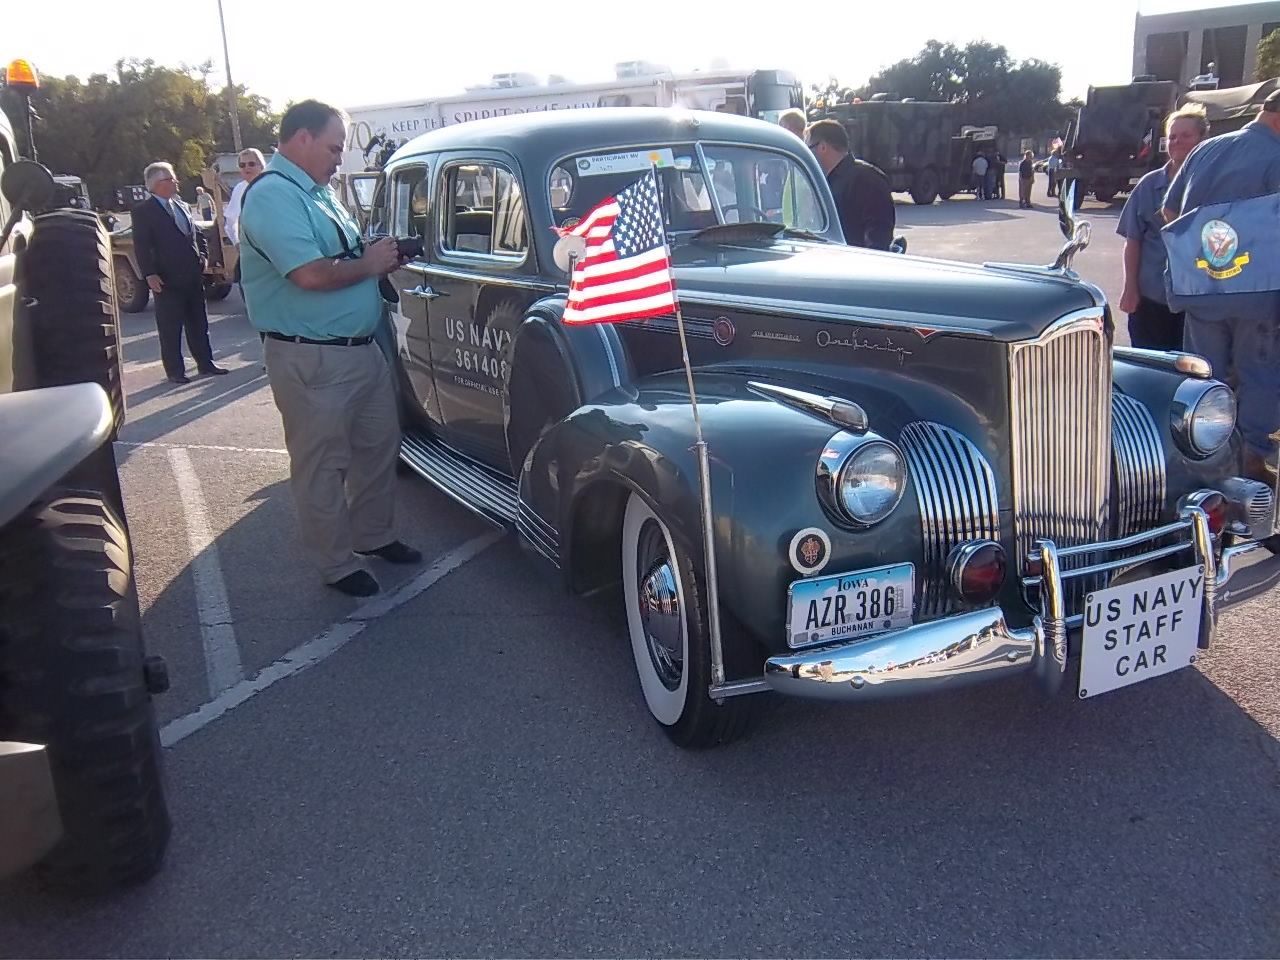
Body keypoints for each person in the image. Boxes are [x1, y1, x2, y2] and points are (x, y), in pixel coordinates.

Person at [238, 99, 420, 598]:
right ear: (303, 138)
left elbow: (344, 255)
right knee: (323, 464)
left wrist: (378, 255)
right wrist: (370, 264)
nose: (339, 159)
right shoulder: (273, 195)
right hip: (312, 355)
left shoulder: (317, 193)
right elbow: (310, 274)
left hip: (359, 350)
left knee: (378, 448)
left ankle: (373, 535)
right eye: (334, 148)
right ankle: (336, 563)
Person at [1162, 89, 1280, 485]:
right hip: (1257, 293)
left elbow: (1170, 211)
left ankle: (1199, 459)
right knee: (1258, 375)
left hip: (1202, 286)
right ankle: (1250, 460)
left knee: (1201, 376)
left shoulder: (1205, 150)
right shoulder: (1275, 156)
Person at [1115, 103, 1208, 350]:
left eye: (1186, 135)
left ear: (1202, 140)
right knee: (1149, 365)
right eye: (1172, 137)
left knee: (1193, 367)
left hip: (1198, 303)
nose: (1177, 142)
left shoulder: (1215, 184)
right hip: (1152, 299)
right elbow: (1133, 240)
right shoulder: (1149, 185)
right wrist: (1130, 289)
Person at [131, 162, 228, 384]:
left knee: (199, 323)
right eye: (171, 179)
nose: (176, 182)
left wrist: (203, 257)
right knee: (171, 327)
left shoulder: (182, 205)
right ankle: (175, 370)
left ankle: (206, 363)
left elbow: (197, 234)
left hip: (192, 275)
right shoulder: (144, 211)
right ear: (157, 184)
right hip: (166, 278)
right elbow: (142, 246)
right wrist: (149, 274)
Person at [805, 118, 895, 250]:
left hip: (855, 261)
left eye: (809, 148)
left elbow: (878, 237)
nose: (808, 155)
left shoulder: (867, 180)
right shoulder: (827, 181)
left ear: (823, 147)